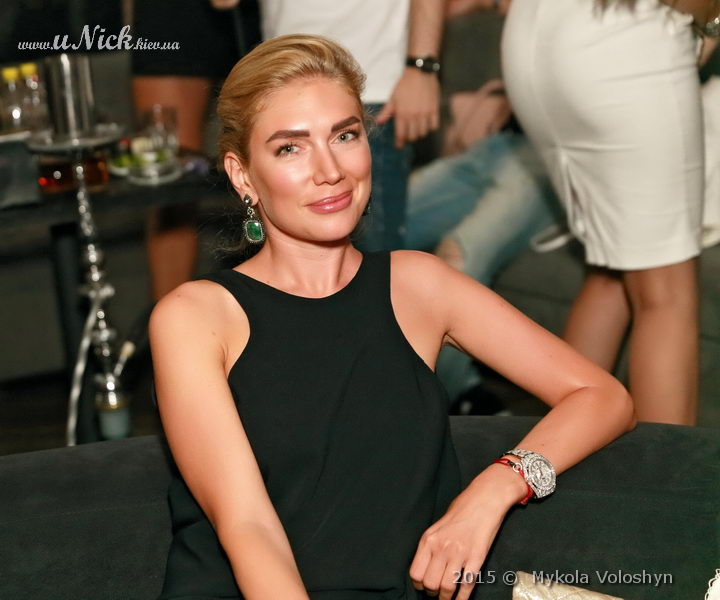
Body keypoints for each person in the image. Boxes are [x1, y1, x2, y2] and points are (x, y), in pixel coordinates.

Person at [149, 34, 636, 599]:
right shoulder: (197, 317)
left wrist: (495, 488)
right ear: (242, 176)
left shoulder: (418, 286)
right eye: (290, 149)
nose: (330, 170)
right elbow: (249, 527)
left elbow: (603, 396)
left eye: (345, 135)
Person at [502, 0, 720, 425]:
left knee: (611, 268)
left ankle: (562, 452)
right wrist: (710, 21)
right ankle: (665, 468)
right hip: (621, 39)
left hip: (534, 36)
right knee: (666, 294)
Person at [256, 0, 446, 251]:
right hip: (278, 83)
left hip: (372, 86)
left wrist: (421, 66)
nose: (330, 172)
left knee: (374, 253)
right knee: (293, 249)